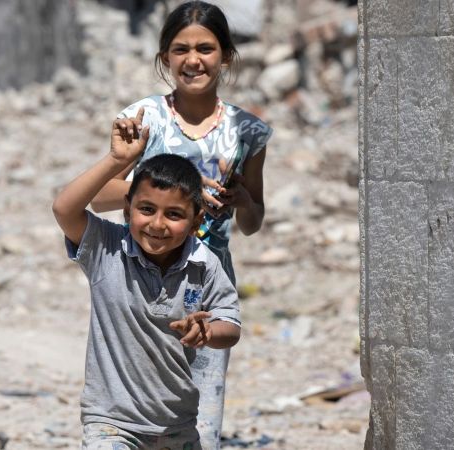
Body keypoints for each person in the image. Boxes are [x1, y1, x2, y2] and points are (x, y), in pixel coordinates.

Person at [90, 2, 273, 447]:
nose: (194, 60)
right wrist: (162, 193)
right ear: (164, 59)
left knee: (199, 422)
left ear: (226, 56)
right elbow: (99, 195)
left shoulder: (248, 132)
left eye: (206, 49)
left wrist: (243, 200)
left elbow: (253, 223)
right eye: (181, 49)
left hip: (206, 286)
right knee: (131, 414)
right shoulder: (142, 120)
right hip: (139, 281)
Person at [52, 108, 241, 450]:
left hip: (177, 425)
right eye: (146, 210)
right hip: (111, 424)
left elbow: (231, 325)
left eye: (174, 214)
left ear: (197, 218)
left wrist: (209, 331)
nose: (157, 224)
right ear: (127, 210)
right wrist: (115, 160)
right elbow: (65, 209)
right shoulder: (106, 248)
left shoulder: (204, 264)